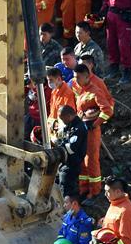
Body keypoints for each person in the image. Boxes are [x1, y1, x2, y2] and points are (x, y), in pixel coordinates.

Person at [73, 65, 114, 198]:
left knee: (91, 160)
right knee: (83, 159)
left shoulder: (95, 91)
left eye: (78, 77)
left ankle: (95, 191)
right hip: (83, 129)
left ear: (86, 76)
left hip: (91, 130)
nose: (76, 80)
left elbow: (107, 110)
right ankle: (83, 187)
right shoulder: (82, 91)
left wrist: (95, 124)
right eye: (75, 77)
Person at [103, 0, 131, 83]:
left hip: (124, 16)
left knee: (124, 45)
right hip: (111, 14)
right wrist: (103, 9)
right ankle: (114, 67)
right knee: (111, 43)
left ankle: (127, 70)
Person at [55, 106, 89, 200]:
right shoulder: (71, 125)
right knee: (58, 182)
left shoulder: (79, 128)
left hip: (72, 163)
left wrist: (59, 143)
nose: (62, 121)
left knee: (67, 187)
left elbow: (71, 148)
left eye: (62, 118)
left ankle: (67, 208)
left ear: (69, 116)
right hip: (65, 161)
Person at [46, 67, 77, 140]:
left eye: (51, 80)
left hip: (61, 131)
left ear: (59, 79)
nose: (49, 83)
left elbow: (69, 116)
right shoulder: (54, 91)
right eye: (48, 80)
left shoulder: (68, 94)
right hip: (52, 128)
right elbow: (52, 112)